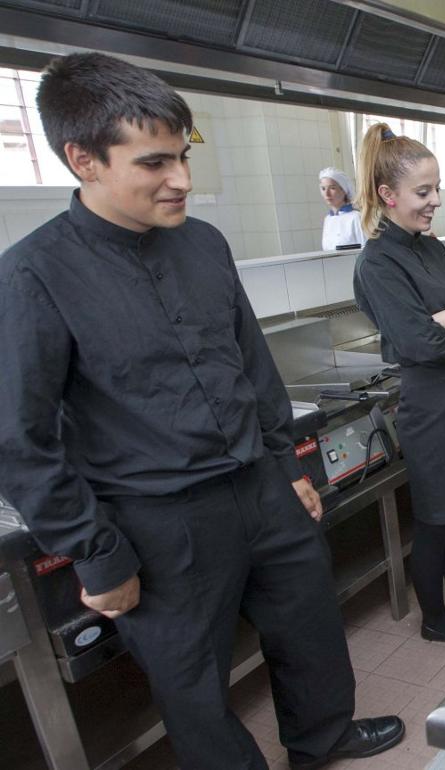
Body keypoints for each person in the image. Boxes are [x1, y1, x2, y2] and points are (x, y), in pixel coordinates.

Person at [0, 53, 402, 770]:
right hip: (157, 523)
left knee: (308, 626)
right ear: (83, 159)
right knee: (193, 684)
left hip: (259, 487)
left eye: (183, 157)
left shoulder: (203, 245)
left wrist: (286, 465)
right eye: (154, 163)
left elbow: (252, 366)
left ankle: (322, 736)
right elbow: (19, 439)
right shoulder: (33, 275)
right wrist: (96, 553)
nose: (182, 180)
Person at [352, 123, 445, 658]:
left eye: (436, 188)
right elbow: (420, 345)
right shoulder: (377, 263)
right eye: (424, 192)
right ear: (388, 196)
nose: (436, 201)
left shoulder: (431, 249)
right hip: (430, 412)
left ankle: (439, 619)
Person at [319, 166, 365, 250]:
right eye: (323, 188)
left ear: (344, 190)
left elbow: (366, 250)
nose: (327, 193)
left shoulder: (356, 217)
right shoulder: (328, 219)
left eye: (332, 188)